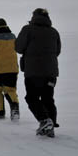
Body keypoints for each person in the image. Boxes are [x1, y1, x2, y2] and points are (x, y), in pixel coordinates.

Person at [15, 8, 61, 137]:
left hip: (33, 72)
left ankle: (45, 121)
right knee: (48, 99)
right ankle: (50, 126)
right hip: (51, 73)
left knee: (32, 98)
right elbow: (57, 51)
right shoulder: (54, 32)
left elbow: (18, 47)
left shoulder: (27, 29)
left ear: (34, 16)